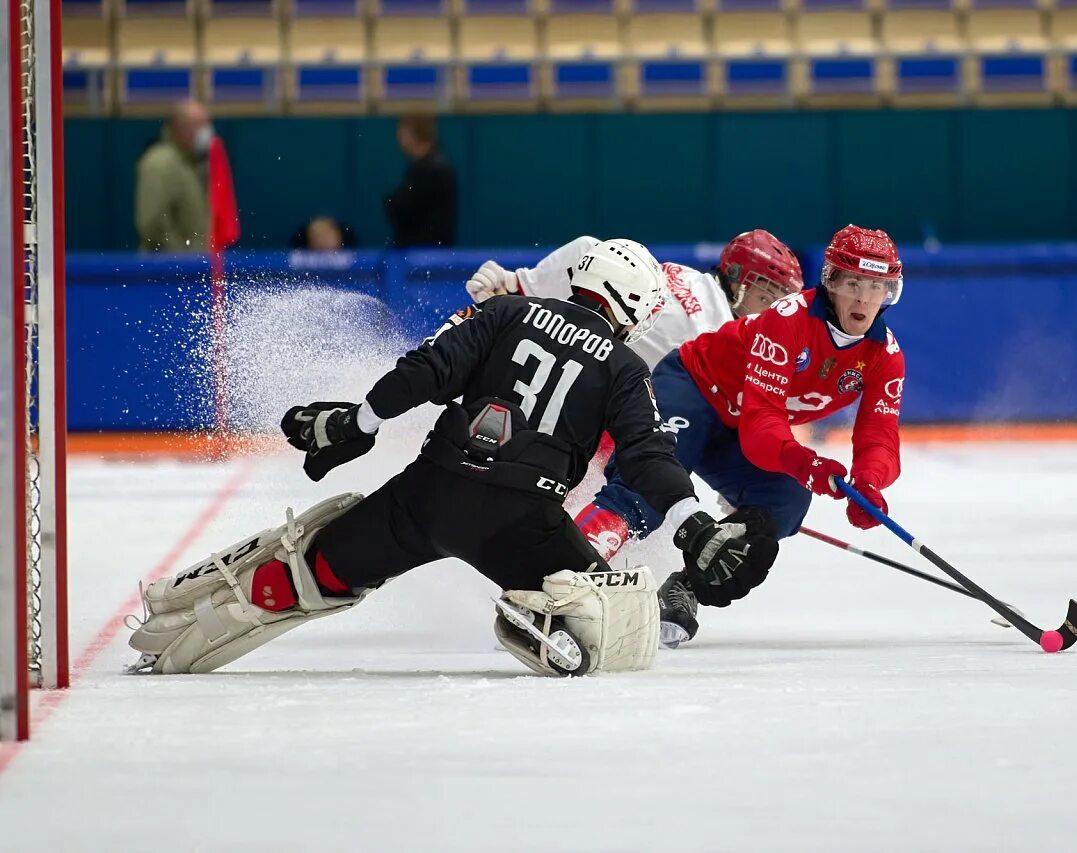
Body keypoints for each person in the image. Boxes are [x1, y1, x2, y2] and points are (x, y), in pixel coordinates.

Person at [125, 240, 778, 677]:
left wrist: (356, 422)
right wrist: (694, 524)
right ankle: (542, 614)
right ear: (636, 309)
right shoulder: (626, 365)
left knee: (317, 565)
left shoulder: (505, 314)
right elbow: (650, 456)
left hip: (431, 493)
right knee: (622, 624)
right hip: (525, 520)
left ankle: (251, 586)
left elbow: (427, 370)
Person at [574, 225, 907, 647]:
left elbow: (880, 436)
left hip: (734, 425)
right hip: (694, 388)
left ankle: (685, 588)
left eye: (877, 287)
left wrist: (870, 481)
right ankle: (559, 575)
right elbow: (761, 427)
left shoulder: (886, 356)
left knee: (785, 501)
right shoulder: (789, 320)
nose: (864, 298)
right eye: (854, 283)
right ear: (832, 282)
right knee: (648, 490)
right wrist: (808, 465)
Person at [464, 229, 806, 370]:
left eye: (780, 297)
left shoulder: (696, 284)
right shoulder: (716, 331)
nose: (774, 307)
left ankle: (513, 293)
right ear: (736, 279)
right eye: (767, 293)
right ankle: (513, 292)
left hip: (595, 384)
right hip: (592, 386)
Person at [134, 100, 214, 253]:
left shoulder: (191, 164)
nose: (207, 131)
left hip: (190, 268)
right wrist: (181, 258)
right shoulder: (160, 162)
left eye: (207, 124)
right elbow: (152, 224)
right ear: (179, 127)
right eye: (199, 124)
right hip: (164, 270)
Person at [385, 113, 458, 248]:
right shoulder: (426, 167)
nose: (400, 139)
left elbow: (406, 209)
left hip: (426, 256)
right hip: (422, 253)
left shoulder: (432, 170)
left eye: (404, 133)